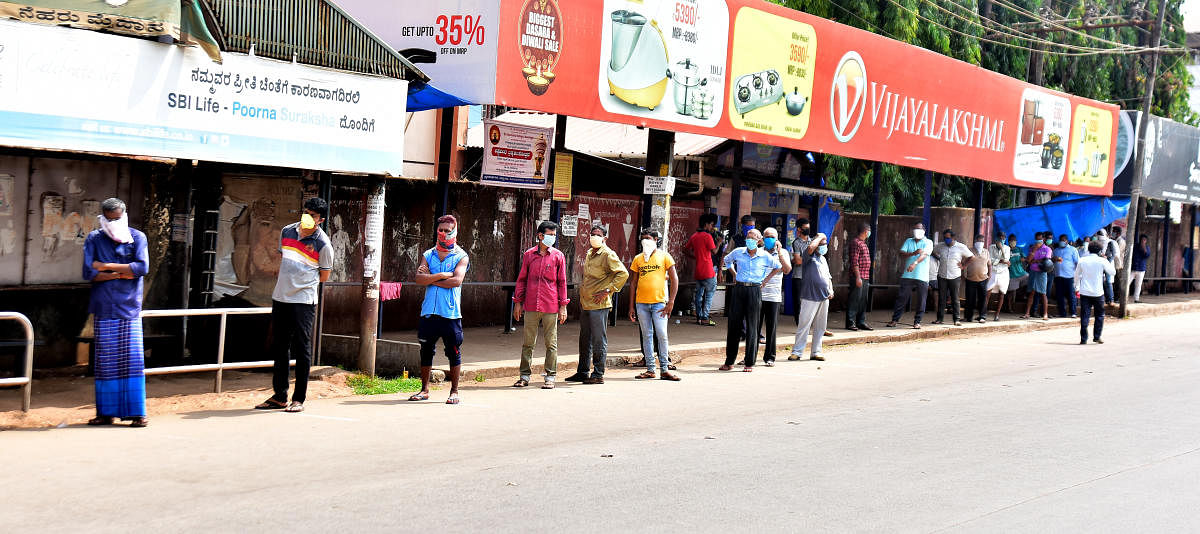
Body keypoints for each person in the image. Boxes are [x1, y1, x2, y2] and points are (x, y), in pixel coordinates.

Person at [256, 197, 333, 413]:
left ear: (321, 220)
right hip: (281, 297)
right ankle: (279, 396)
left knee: (302, 348)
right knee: (280, 347)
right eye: (306, 212)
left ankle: (299, 398)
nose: (307, 217)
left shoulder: (323, 244)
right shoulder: (287, 231)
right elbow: (284, 261)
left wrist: (301, 284)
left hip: (304, 301)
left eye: (313, 215)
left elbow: (324, 276)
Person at [83, 198, 150, 427]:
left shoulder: (137, 237)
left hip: (129, 307)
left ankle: (138, 413)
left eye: (117, 218)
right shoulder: (94, 238)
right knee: (105, 363)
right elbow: (88, 272)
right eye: (109, 219)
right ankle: (106, 413)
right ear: (103, 217)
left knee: (132, 361)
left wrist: (105, 267)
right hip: (104, 307)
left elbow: (141, 268)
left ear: (124, 215)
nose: (113, 223)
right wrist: (122, 272)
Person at [410, 215, 470, 404]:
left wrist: (431, 278)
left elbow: (456, 281)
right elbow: (419, 279)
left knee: (453, 351)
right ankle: (424, 389)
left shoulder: (461, 256)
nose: (443, 233)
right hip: (429, 312)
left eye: (447, 230)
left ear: (455, 232)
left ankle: (454, 391)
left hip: (450, 313)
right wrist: (442, 275)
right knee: (426, 350)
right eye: (441, 230)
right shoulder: (428, 254)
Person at [565, 224, 628, 385]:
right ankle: (583, 371)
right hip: (586, 303)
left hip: (599, 305)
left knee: (599, 340)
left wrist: (609, 289)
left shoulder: (608, 254)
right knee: (584, 339)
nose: (594, 237)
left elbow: (623, 273)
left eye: (598, 234)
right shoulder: (589, 253)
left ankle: (598, 373)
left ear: (605, 238)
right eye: (592, 234)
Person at [512, 221, 570, 389]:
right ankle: (524, 376)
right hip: (530, 304)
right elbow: (522, 279)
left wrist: (563, 306)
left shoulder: (558, 256)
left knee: (551, 343)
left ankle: (550, 376)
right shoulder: (529, 255)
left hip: (551, 305)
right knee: (528, 342)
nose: (553, 237)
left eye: (554, 235)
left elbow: (562, 282)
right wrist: (517, 303)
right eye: (550, 234)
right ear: (540, 235)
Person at [721, 228, 782, 371]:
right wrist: (734, 274)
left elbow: (778, 267)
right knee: (734, 325)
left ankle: (749, 362)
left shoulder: (764, 256)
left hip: (754, 290)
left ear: (759, 241)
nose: (749, 240)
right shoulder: (738, 252)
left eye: (753, 238)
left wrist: (765, 280)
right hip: (739, 288)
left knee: (752, 326)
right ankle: (729, 361)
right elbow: (726, 260)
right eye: (748, 237)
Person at [629, 229, 680, 380]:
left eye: (649, 238)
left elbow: (674, 279)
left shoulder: (665, 256)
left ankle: (664, 368)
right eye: (643, 239)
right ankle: (651, 369)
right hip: (641, 304)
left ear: (656, 240)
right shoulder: (638, 259)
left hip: (659, 303)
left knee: (662, 335)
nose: (645, 241)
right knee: (647, 335)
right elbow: (633, 283)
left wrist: (671, 301)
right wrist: (631, 306)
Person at [790, 233, 833, 361]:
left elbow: (828, 277)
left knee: (820, 326)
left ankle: (816, 352)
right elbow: (809, 248)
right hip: (809, 296)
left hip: (824, 296)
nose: (824, 247)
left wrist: (831, 289)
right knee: (804, 325)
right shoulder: (809, 256)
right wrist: (819, 237)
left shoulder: (823, 259)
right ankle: (797, 352)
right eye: (821, 244)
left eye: (825, 244)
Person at [757, 227, 792, 366]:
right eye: (766, 236)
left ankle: (770, 357)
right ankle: (750, 355)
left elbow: (787, 269)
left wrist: (779, 253)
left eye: (771, 236)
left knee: (771, 328)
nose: (769, 239)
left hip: (773, 296)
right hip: (758, 295)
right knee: (754, 327)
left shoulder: (783, 252)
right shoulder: (759, 252)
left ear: (777, 238)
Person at [888, 222, 932, 329]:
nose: (917, 231)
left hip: (922, 276)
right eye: (915, 229)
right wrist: (913, 253)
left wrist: (914, 263)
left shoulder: (928, 242)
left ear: (924, 231)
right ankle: (894, 320)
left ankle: (917, 322)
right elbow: (901, 253)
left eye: (919, 229)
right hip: (907, 275)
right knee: (901, 298)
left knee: (921, 300)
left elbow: (924, 255)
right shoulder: (909, 241)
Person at [1075, 241, 1115, 344]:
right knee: (1099, 315)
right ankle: (1097, 337)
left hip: (1085, 292)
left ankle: (1083, 339)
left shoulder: (1082, 260)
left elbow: (1076, 275)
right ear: (1100, 251)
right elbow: (1112, 272)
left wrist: (1077, 288)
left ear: (1089, 249)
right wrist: (1107, 260)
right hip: (1098, 292)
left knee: (1085, 315)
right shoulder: (1102, 261)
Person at [931, 229, 973, 326]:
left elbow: (971, 257)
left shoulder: (961, 247)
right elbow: (933, 252)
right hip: (942, 275)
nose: (946, 240)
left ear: (953, 238)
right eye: (945, 238)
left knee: (955, 298)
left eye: (948, 238)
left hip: (955, 276)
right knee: (942, 298)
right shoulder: (940, 246)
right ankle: (939, 319)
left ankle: (956, 319)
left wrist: (964, 266)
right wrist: (939, 259)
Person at [684, 214, 719, 326]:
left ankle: (699, 316)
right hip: (708, 270)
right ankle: (704, 317)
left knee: (699, 296)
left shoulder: (694, 236)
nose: (712, 227)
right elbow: (714, 252)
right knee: (709, 295)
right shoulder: (707, 236)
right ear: (706, 224)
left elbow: (685, 250)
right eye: (711, 225)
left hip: (698, 271)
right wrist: (719, 242)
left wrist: (695, 257)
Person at [845, 222, 873, 331]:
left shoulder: (863, 243)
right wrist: (858, 277)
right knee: (854, 299)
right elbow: (854, 261)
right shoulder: (856, 243)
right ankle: (850, 322)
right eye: (869, 230)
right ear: (866, 231)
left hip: (865, 276)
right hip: (859, 276)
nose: (869, 232)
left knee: (863, 300)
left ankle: (861, 321)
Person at [1022, 232, 1052, 320]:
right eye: (1037, 239)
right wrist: (1034, 251)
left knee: (1043, 293)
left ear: (1043, 239)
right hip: (1033, 272)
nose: (1038, 241)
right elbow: (1028, 260)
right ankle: (1027, 313)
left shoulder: (1047, 249)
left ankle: (1045, 314)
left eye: (1040, 239)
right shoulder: (1032, 248)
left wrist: (1035, 261)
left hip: (1042, 273)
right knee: (1031, 293)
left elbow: (1046, 260)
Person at [963, 234, 990, 323]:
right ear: (975, 242)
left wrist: (989, 275)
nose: (980, 243)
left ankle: (982, 316)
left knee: (982, 298)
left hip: (983, 279)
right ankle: (968, 317)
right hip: (970, 279)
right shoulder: (969, 251)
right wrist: (965, 275)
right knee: (970, 299)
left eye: (982, 241)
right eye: (979, 241)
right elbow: (965, 263)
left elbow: (989, 265)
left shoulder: (986, 252)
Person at [1052, 233, 1080, 318]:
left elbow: (1077, 262)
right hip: (1058, 276)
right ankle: (1062, 313)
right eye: (1060, 240)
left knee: (1071, 295)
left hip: (1069, 276)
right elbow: (1052, 261)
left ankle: (1073, 312)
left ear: (1067, 241)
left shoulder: (1073, 250)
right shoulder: (1056, 250)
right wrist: (1054, 259)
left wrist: (1077, 275)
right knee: (1059, 296)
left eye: (1063, 240)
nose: (1062, 242)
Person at [986, 232, 1011, 321]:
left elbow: (1006, 259)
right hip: (993, 272)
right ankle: (983, 313)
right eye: (1000, 238)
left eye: (1004, 238)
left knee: (1001, 294)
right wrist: (1001, 261)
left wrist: (1001, 249)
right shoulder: (991, 247)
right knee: (987, 292)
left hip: (1003, 273)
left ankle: (997, 315)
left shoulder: (1007, 248)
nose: (1002, 239)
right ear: (996, 238)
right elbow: (990, 260)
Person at [790, 219, 811, 326]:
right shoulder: (796, 243)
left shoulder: (812, 242)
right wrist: (811, 259)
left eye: (808, 227)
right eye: (805, 228)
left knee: (809, 301)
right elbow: (797, 261)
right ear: (799, 229)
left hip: (810, 276)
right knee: (798, 302)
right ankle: (799, 324)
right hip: (798, 276)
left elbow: (799, 259)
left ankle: (808, 323)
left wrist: (803, 259)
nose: (807, 229)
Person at [1006, 234, 1028, 314]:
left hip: (1021, 273)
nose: (1013, 242)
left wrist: (1023, 259)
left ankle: (1022, 296)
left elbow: (1025, 258)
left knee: (1030, 281)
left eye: (1014, 240)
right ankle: (1009, 308)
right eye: (1011, 240)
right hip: (1012, 274)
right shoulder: (1006, 249)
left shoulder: (1019, 249)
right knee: (1011, 292)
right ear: (1008, 241)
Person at [1097, 229, 1118, 304]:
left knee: (1108, 282)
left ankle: (1111, 300)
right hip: (1100, 265)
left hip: (1108, 264)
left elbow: (1114, 254)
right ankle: (1104, 299)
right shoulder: (1098, 242)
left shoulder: (1110, 242)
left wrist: (1107, 260)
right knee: (1101, 282)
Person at [1130, 234, 1150, 303]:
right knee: (1127, 283)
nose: (1143, 241)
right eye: (1142, 239)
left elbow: (1147, 255)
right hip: (1133, 268)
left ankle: (1136, 299)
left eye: (1144, 240)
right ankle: (1122, 297)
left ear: (1146, 241)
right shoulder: (1135, 246)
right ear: (1140, 239)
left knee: (1138, 285)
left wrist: (1143, 247)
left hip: (1141, 269)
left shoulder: (1147, 247)